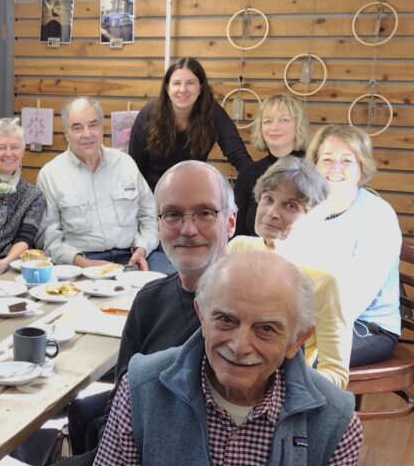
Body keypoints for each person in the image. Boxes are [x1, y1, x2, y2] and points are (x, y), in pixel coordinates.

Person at [0, 160, 238, 466]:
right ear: (157, 224)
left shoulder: (246, 314)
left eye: (204, 213)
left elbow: (233, 450)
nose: (188, 229)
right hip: (123, 460)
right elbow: (119, 406)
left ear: (230, 222)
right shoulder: (150, 301)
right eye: (173, 215)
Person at [76, 250, 363, 466]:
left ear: (297, 340)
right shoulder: (143, 387)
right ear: (202, 315)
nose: (240, 347)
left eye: (266, 328)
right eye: (226, 319)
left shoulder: (333, 422)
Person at [279, 124, 401, 368]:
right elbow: (286, 268)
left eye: (347, 160)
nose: (336, 168)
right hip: (311, 318)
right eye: (327, 159)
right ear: (314, 164)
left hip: (366, 326)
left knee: (291, 360)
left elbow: (354, 299)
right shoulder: (310, 209)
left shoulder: (378, 216)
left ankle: (325, 407)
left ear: (361, 167)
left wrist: (300, 330)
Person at [228, 156, 352, 388]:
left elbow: (335, 371)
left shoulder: (324, 279)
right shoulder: (237, 248)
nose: (272, 212)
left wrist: (286, 388)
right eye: (268, 199)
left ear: (314, 216)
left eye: (290, 205)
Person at [36, 96, 172, 274]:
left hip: (134, 256)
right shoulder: (50, 175)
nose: (87, 134)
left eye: (93, 125)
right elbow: (48, 239)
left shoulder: (125, 164)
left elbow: (150, 217)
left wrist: (142, 249)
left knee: (175, 284)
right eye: (77, 127)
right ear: (66, 133)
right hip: (81, 262)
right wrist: (82, 263)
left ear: (102, 127)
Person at [128, 57, 253, 190]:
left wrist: (259, 183)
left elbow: (238, 154)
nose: (183, 89)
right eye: (176, 83)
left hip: (192, 192)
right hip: (151, 195)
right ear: (167, 88)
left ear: (200, 88)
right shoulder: (148, 115)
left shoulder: (212, 112)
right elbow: (134, 168)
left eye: (190, 83)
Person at [0, 117, 46, 278]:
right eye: (1, 147)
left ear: (23, 150)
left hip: (12, 271)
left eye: (15, 147)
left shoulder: (34, 196)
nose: (8, 153)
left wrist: (4, 264)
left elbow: (25, 238)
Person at [233, 93, 310, 237]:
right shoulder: (248, 174)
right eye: (267, 121)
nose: (274, 127)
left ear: (298, 125)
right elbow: (237, 233)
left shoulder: (314, 171)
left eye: (284, 120)